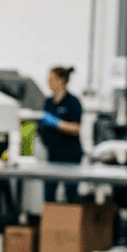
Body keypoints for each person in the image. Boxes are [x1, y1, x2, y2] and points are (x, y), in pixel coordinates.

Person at [39, 65, 84, 201]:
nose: (49, 83)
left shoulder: (73, 102)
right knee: (49, 193)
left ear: (61, 81)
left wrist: (57, 123)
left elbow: (76, 128)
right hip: (53, 153)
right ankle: (51, 222)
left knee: (70, 193)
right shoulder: (48, 102)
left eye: (51, 80)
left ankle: (71, 221)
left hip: (70, 155)